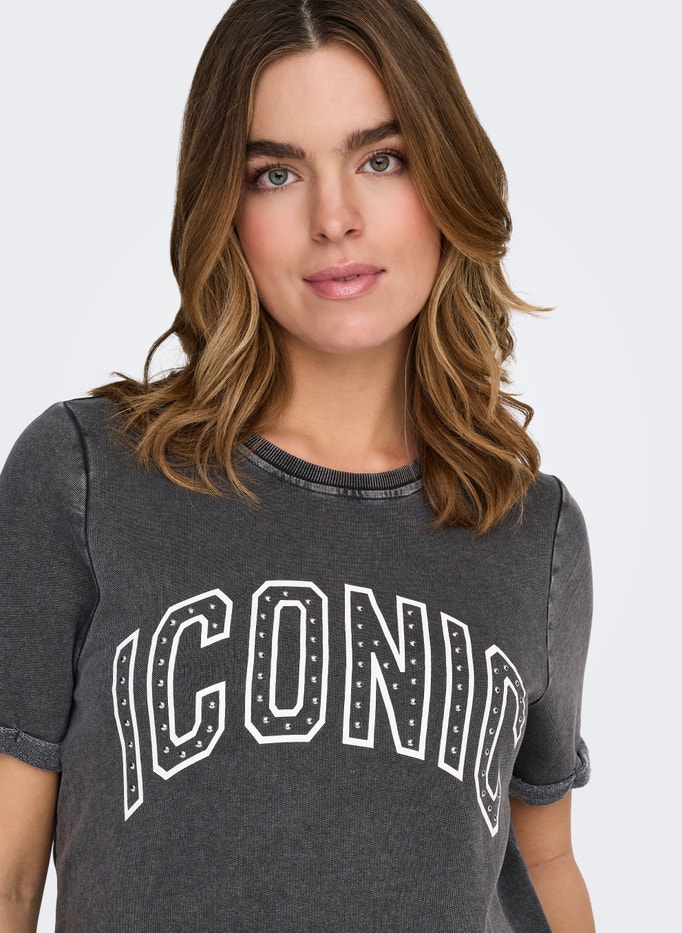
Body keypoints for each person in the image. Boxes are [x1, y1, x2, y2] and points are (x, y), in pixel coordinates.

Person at [0, 0, 595, 930]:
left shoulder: (528, 529)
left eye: (380, 159)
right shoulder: (86, 478)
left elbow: (546, 859)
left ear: (446, 176)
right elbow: (8, 878)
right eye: (276, 173)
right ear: (225, 211)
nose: (334, 218)